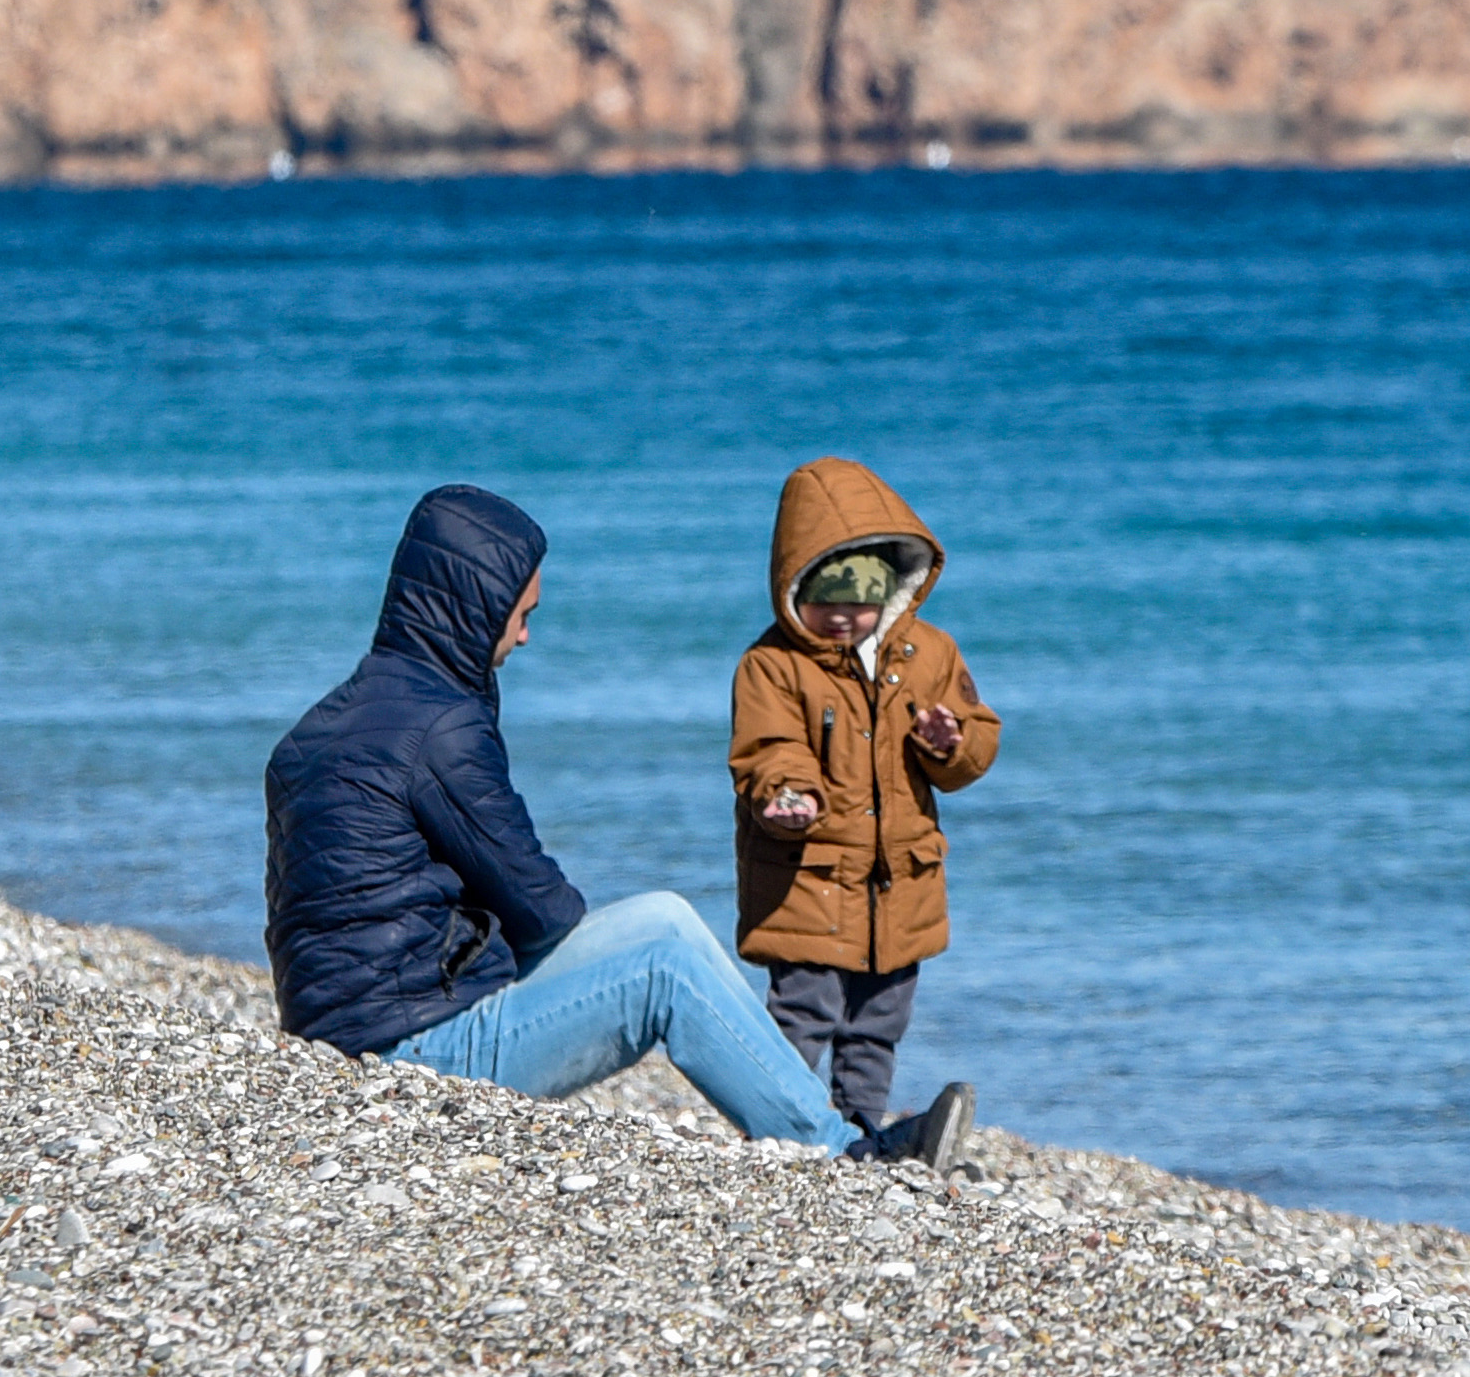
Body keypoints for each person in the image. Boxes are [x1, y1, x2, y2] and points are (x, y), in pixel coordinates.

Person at [263, 483, 975, 1166]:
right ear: (475, 608)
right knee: (663, 965)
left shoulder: (326, 723)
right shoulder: (440, 728)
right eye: (520, 613)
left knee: (663, 918)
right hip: (409, 1058)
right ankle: (837, 1146)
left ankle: (815, 1119)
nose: (525, 636)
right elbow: (541, 911)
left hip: (347, 1043)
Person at [730, 455, 1000, 1132]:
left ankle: (858, 1127)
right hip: (808, 880)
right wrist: (789, 794)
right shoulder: (771, 664)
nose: (843, 620)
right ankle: (775, 1125)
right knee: (803, 1010)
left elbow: (974, 746)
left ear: (890, 592)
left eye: (859, 604)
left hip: (899, 884)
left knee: (878, 1021)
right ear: (793, 591)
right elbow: (769, 747)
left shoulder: (929, 655)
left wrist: (949, 741)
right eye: (824, 604)